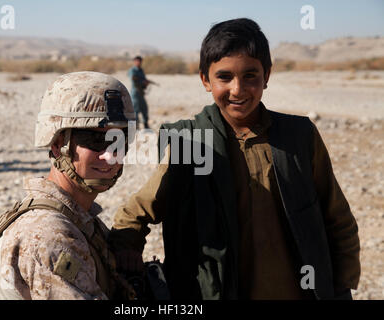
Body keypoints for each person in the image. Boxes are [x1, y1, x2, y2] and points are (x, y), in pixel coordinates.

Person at [108, 18, 361, 300]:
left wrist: (341, 286)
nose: (238, 89)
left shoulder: (299, 137)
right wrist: (125, 247)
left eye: (251, 76)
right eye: (225, 77)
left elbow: (337, 218)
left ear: (267, 75)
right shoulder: (191, 142)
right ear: (205, 80)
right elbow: (140, 209)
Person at [0, 72, 137, 300]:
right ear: (58, 145)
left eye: (119, 140)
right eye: (95, 141)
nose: (109, 155)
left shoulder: (78, 217)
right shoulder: (50, 236)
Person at [128, 56, 152, 129]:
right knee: (135, 110)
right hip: (135, 93)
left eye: (140, 61)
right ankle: (136, 127)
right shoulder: (132, 70)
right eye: (137, 61)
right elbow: (134, 79)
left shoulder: (141, 70)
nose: (139, 62)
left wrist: (146, 83)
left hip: (141, 93)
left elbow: (143, 80)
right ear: (134, 62)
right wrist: (142, 82)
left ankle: (146, 125)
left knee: (144, 109)